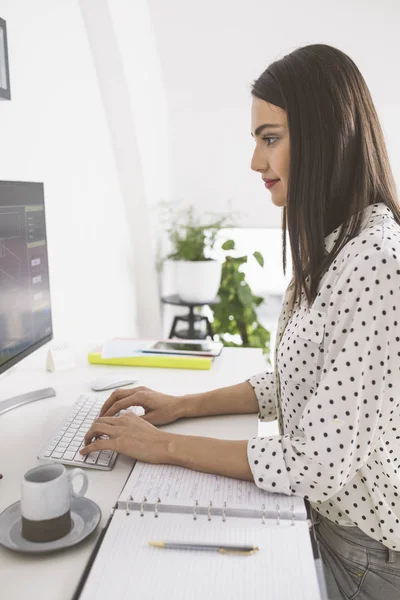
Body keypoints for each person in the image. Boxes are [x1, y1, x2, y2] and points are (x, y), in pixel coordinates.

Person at [81, 44, 400, 599]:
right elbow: (295, 383)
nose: (256, 162)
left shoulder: (376, 260)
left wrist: (162, 447)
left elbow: (318, 464)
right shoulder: (333, 244)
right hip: (331, 529)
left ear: (327, 136)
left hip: (365, 554)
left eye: (269, 138)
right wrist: (181, 406)